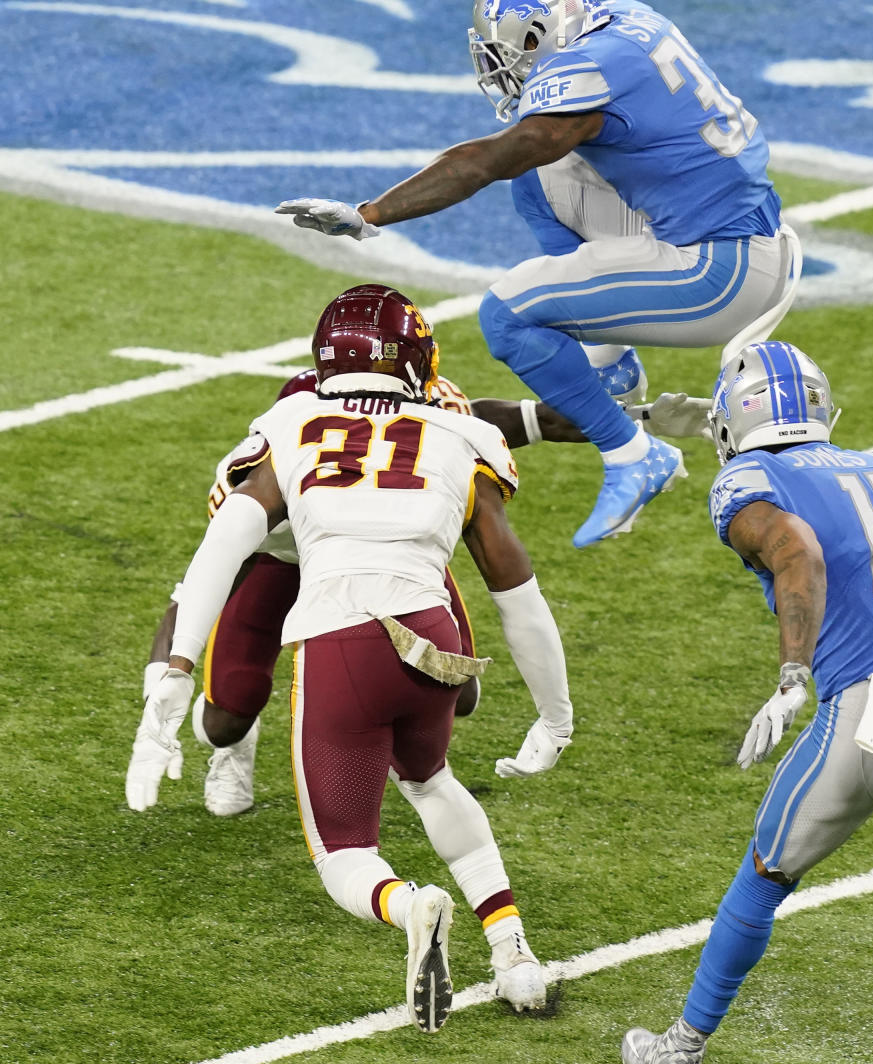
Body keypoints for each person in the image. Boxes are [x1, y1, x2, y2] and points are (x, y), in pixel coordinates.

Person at [127, 283, 577, 1034]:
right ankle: (513, 952)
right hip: (428, 629)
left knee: (345, 852)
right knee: (431, 782)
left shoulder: (292, 424)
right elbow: (517, 592)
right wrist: (556, 717)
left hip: (339, 631)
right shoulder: (454, 433)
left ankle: (411, 906)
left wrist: (173, 671)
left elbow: (221, 545)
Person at [274, 0, 800, 549]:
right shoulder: (628, 20)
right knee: (537, 176)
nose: (500, 68)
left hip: (721, 269)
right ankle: (611, 364)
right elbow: (524, 155)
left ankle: (632, 455)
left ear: (535, 33)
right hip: (734, 231)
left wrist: (369, 214)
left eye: (507, 49)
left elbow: (483, 160)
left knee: (507, 316)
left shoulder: (587, 72)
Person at [128, 359, 711, 821]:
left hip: (389, 556)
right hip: (281, 563)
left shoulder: (432, 417)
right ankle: (236, 744)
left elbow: (514, 419)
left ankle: (368, 740)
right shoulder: (266, 471)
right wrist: (165, 687)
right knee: (226, 715)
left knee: (456, 694)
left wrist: (635, 421)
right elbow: (198, 584)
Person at [621, 341, 873, 1064]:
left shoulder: (748, 475)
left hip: (863, 722)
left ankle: (680, 1047)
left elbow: (797, 549)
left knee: (764, 878)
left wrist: (791, 678)